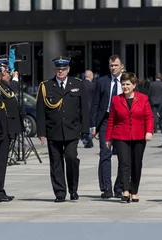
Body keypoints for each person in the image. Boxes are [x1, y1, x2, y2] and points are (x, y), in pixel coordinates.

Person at [36, 56, 90, 202]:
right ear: (55, 69)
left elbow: (84, 109)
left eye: (64, 69)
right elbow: (40, 111)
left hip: (72, 129)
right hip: (53, 130)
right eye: (58, 69)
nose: (61, 71)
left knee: (71, 158)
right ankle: (60, 192)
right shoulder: (46, 86)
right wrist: (41, 132)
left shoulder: (77, 84)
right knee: (56, 162)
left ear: (68, 69)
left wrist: (85, 130)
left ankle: (73, 189)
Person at [105, 72, 153, 203]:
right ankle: (125, 190)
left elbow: (149, 117)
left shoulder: (143, 98)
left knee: (136, 164)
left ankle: (134, 191)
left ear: (134, 85)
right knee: (124, 163)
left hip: (138, 135)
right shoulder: (116, 99)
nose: (125, 87)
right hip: (121, 135)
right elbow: (111, 120)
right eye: (123, 84)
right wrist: (108, 138)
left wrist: (149, 131)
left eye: (128, 84)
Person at [90, 54, 123, 198]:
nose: (113, 68)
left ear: (121, 66)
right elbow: (95, 104)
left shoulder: (127, 81)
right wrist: (93, 125)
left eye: (116, 65)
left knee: (123, 156)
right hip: (106, 121)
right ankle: (106, 187)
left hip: (122, 121)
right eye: (111, 65)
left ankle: (119, 187)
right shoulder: (102, 81)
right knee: (105, 153)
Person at [82, 70, 95, 148]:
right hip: (91, 106)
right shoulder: (93, 85)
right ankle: (89, 138)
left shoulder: (80, 84)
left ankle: (85, 140)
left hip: (82, 106)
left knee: (84, 123)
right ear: (90, 76)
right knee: (91, 123)